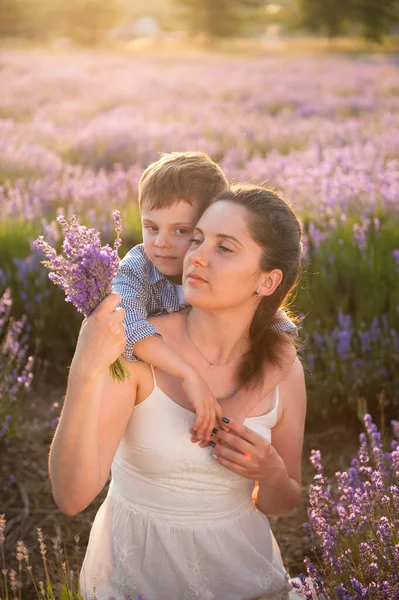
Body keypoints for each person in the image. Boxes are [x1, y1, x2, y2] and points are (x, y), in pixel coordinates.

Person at [49, 184, 306, 600]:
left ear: (267, 280)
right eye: (199, 239)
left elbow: (281, 502)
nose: (196, 256)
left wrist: (270, 472)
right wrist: (83, 371)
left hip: (246, 580)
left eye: (225, 248)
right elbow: (71, 497)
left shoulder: (283, 370)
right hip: (139, 582)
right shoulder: (138, 351)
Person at [112, 152, 297, 442]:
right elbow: (126, 323)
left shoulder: (216, 273)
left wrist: (240, 405)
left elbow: (284, 339)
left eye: (183, 231)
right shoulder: (137, 267)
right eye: (151, 227)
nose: (161, 243)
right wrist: (188, 374)